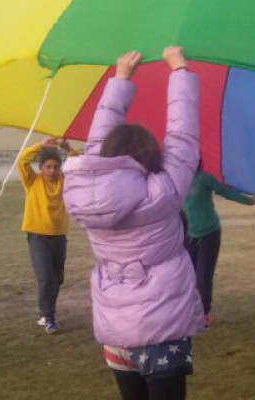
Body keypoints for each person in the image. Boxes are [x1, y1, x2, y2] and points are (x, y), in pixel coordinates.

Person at [62, 47, 203, 400]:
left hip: (116, 335)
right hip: (162, 332)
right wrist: (180, 71)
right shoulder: (163, 191)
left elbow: (96, 143)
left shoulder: (84, 194)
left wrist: (121, 78)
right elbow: (183, 136)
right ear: (151, 155)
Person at [182, 168, 255, 326]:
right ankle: (188, 311)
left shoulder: (203, 178)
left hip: (209, 233)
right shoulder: (176, 180)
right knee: (188, 276)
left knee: (203, 276)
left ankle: (204, 313)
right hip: (188, 234)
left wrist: (249, 200)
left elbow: (225, 191)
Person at [19, 136, 76, 334]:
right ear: (41, 168)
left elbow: (82, 167)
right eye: (48, 167)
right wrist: (40, 146)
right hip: (37, 235)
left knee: (57, 278)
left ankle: (47, 312)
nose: (52, 171)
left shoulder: (64, 181)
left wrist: (69, 150)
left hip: (59, 235)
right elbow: (22, 160)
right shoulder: (32, 181)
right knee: (45, 278)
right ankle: (49, 316)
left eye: (55, 167)